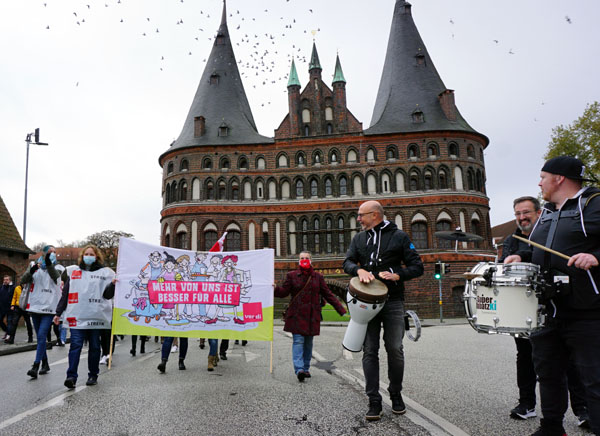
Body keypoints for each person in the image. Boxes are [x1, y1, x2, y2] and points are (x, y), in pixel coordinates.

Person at [513, 156, 599, 436]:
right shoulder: (548, 213)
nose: (539, 183)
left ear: (559, 178)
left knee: (593, 378)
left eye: (543, 177)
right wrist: (521, 255)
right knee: (548, 373)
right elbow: (540, 252)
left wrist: (595, 256)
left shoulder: (594, 204)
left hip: (588, 310)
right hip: (548, 309)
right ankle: (551, 427)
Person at [503, 196, 589, 426]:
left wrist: (523, 256)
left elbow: (549, 257)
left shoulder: (552, 232)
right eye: (518, 214)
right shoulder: (512, 239)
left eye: (526, 213)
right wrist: (510, 259)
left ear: (539, 213)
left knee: (569, 360)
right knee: (526, 358)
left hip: (554, 305)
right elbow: (505, 266)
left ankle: (582, 410)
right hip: (524, 308)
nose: (522, 218)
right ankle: (527, 404)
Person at [343, 200, 424, 421]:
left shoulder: (399, 237)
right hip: (366, 303)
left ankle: (396, 394)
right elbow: (347, 262)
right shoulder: (359, 238)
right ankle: (374, 400)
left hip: (393, 301)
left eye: (361, 215)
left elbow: (418, 266)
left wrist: (397, 275)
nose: (358, 219)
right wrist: (358, 270)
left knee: (395, 349)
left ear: (375, 215)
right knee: (369, 350)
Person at [275, 251, 347, 381]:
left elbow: (328, 294)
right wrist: (274, 289)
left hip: (311, 315)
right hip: (296, 315)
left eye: (306, 258)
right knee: (298, 341)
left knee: (308, 343)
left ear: (311, 260)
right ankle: (299, 369)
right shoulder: (291, 275)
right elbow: (284, 292)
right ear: (298, 261)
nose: (304, 260)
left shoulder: (318, 277)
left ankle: (306, 368)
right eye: (302, 258)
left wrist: (340, 309)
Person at [54, 245, 116, 389]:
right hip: (78, 317)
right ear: (82, 256)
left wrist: (112, 285)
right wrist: (58, 313)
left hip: (95, 318)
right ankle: (71, 377)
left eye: (91, 254)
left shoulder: (104, 274)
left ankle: (93, 374)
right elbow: (66, 294)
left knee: (95, 346)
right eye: (86, 254)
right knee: (75, 346)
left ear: (96, 256)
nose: (88, 256)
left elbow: (107, 295)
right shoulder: (74, 273)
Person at [20, 245, 66, 379]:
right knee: (41, 338)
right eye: (50, 252)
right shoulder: (34, 265)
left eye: (54, 252)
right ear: (44, 253)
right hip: (35, 307)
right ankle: (45, 363)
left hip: (49, 308)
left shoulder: (58, 268)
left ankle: (35, 365)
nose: (53, 254)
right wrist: (33, 269)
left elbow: (56, 279)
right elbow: (23, 280)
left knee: (41, 336)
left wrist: (48, 264)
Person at [0, 275, 16, 341]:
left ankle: (9, 335)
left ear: (10, 280)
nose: (5, 281)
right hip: (1, 308)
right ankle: (7, 331)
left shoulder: (13, 287)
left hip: (10, 308)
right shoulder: (1, 287)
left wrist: (13, 305)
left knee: (9, 322)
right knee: (0, 320)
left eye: (7, 280)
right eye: (4, 280)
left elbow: (14, 297)